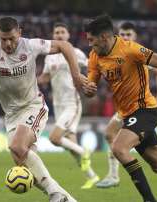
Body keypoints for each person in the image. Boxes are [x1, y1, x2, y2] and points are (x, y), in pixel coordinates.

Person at [76, 14, 157, 202]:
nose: (90, 44)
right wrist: (88, 88)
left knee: (119, 148)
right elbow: (91, 87)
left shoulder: (130, 49)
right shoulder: (95, 56)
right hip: (127, 114)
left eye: (92, 40)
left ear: (104, 37)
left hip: (145, 109)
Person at [0, 16, 79, 202]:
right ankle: (66, 198)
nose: (8, 43)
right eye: (3, 39)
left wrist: (77, 77)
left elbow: (65, 47)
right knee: (23, 161)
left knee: (17, 146)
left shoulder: (31, 45)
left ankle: (55, 194)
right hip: (11, 114)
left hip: (33, 106)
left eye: (12, 39)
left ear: (20, 33)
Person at [96, 21, 157, 188]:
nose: (125, 37)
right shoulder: (114, 51)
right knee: (112, 135)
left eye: (128, 34)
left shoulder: (136, 51)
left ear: (135, 36)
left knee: (116, 137)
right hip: (125, 107)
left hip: (140, 106)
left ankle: (115, 175)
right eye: (122, 34)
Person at [38, 22, 99, 189]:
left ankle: (84, 152)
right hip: (58, 106)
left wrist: (90, 83)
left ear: (68, 35)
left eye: (62, 32)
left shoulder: (75, 53)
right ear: (53, 35)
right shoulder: (49, 56)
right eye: (56, 32)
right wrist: (30, 82)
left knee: (54, 138)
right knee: (72, 145)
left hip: (72, 104)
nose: (59, 35)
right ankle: (92, 177)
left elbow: (92, 68)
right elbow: (45, 77)